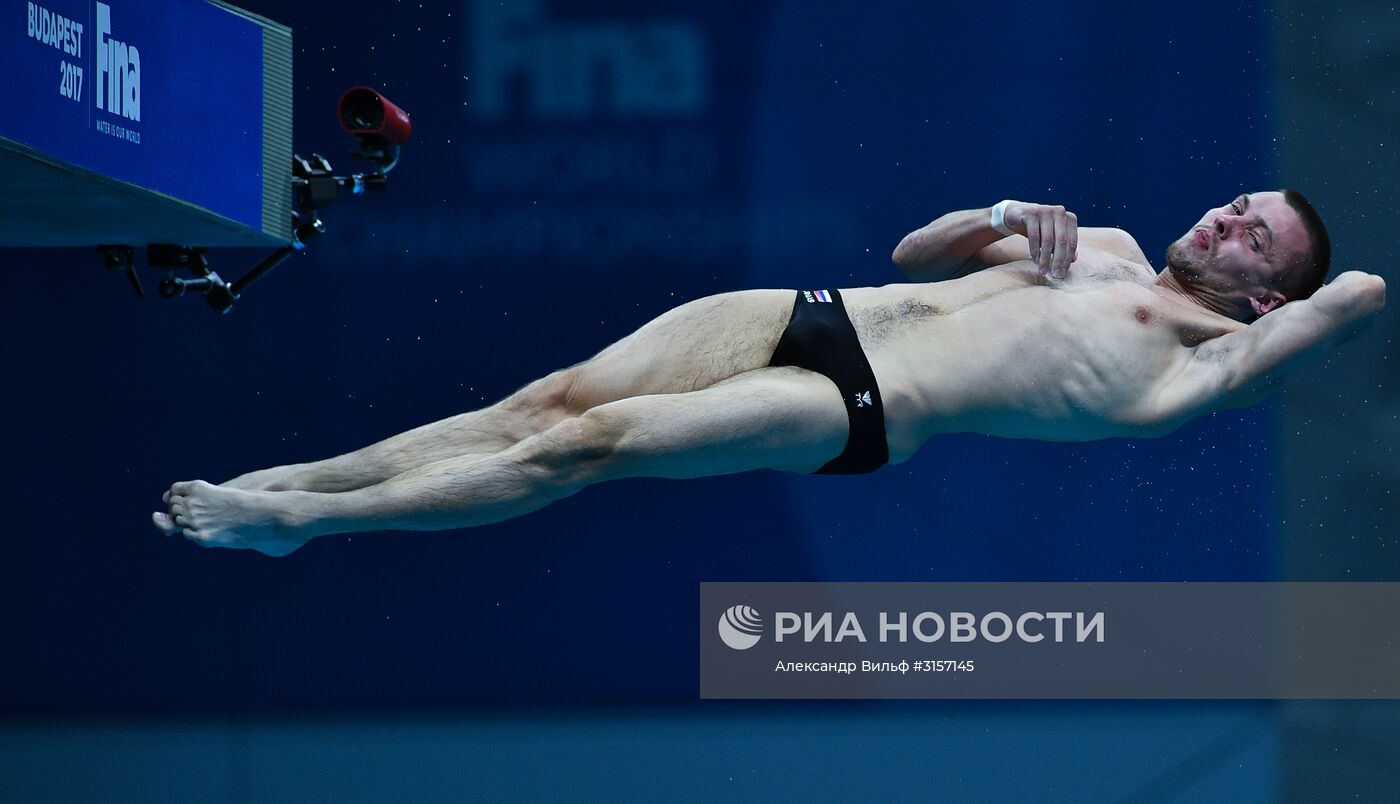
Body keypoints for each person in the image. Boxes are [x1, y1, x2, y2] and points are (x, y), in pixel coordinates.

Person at [153, 191, 1385, 557]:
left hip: (854, 406)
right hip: (812, 311)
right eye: (1234, 204)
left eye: (1252, 237)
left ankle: (304, 524)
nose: (1225, 221)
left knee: (585, 448)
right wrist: (1008, 211)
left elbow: (1361, 293)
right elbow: (912, 253)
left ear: (1263, 301)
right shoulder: (1098, 241)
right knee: (539, 403)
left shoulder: (1200, 367)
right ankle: (292, 487)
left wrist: (1277, 319)